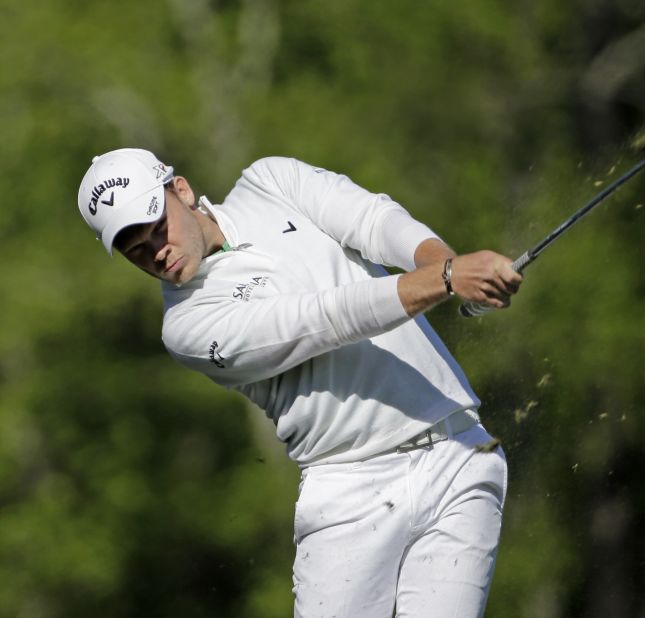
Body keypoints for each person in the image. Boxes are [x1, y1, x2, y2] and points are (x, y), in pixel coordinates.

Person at [77, 148, 522, 617]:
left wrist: (452, 265)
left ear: (181, 190)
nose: (156, 251)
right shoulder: (188, 327)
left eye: (157, 227)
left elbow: (374, 221)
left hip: (459, 454)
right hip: (350, 493)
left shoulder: (270, 181)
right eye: (136, 249)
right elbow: (323, 320)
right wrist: (448, 279)